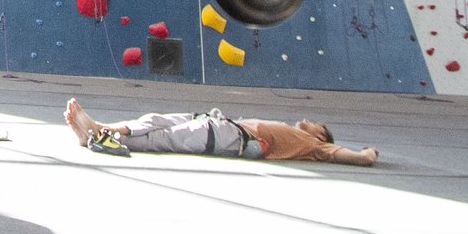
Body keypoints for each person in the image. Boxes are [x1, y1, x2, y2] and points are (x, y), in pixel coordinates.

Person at [63, 98, 380, 166]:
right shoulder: (298, 134)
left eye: (317, 125)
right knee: (157, 119)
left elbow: (349, 156)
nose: (309, 120)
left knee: (162, 138)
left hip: (229, 137)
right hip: (222, 124)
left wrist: (368, 154)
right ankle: (96, 131)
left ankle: (96, 132)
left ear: (321, 136)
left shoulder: (312, 145)